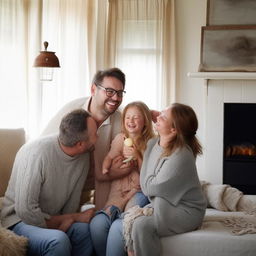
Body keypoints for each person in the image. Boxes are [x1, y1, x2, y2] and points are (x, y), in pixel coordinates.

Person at [0, 109, 98, 256]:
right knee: (58, 241)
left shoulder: (82, 157)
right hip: (18, 221)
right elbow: (26, 210)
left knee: (84, 232)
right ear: (80, 144)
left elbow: (71, 204)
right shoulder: (36, 153)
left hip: (50, 218)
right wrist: (70, 219)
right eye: (95, 134)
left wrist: (68, 218)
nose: (98, 136)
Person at [41, 67, 135, 210]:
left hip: (97, 193)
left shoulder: (122, 121)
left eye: (120, 93)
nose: (116, 98)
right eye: (109, 91)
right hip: (59, 189)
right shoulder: (70, 111)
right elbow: (45, 149)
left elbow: (132, 154)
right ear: (93, 90)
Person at [127, 103, 207, 256]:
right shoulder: (154, 143)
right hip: (167, 204)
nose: (157, 117)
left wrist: (146, 153)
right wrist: (155, 115)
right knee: (133, 222)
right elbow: (148, 181)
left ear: (173, 130)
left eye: (163, 117)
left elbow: (147, 187)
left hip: (186, 211)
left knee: (141, 226)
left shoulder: (181, 156)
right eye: (160, 112)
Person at [90, 101, 155, 256]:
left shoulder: (151, 143)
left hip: (139, 191)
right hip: (118, 190)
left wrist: (136, 156)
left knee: (120, 224)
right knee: (96, 224)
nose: (131, 121)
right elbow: (109, 157)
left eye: (136, 117)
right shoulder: (121, 138)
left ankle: (122, 219)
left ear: (145, 120)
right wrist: (106, 167)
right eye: (128, 117)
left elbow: (149, 178)